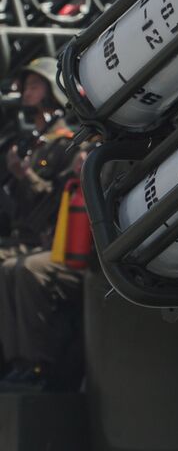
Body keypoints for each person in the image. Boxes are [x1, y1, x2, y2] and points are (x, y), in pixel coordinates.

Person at [0, 57, 79, 373]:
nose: (26, 93)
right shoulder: (31, 142)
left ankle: (32, 362)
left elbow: (59, 196)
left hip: (48, 238)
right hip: (25, 234)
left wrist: (25, 176)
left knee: (21, 271)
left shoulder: (66, 144)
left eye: (35, 85)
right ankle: (11, 358)